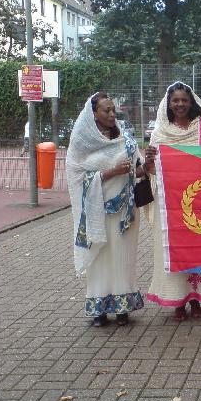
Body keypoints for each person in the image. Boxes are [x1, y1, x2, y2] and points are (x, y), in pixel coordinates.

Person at [66, 92, 150, 327]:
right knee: (100, 258)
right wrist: (111, 172)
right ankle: (98, 309)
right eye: (106, 110)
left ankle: (123, 308)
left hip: (125, 211)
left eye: (113, 110)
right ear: (93, 114)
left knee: (123, 258)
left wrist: (148, 165)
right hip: (96, 212)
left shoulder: (125, 139)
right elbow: (75, 176)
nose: (112, 114)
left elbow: (137, 171)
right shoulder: (81, 143)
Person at [143, 82, 201, 321]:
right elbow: (152, 171)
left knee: (198, 249)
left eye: (185, 100)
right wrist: (149, 161)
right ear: (169, 103)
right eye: (176, 100)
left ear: (192, 102)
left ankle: (196, 299)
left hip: (199, 200)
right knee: (172, 248)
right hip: (170, 204)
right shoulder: (160, 132)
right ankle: (177, 301)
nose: (181, 104)